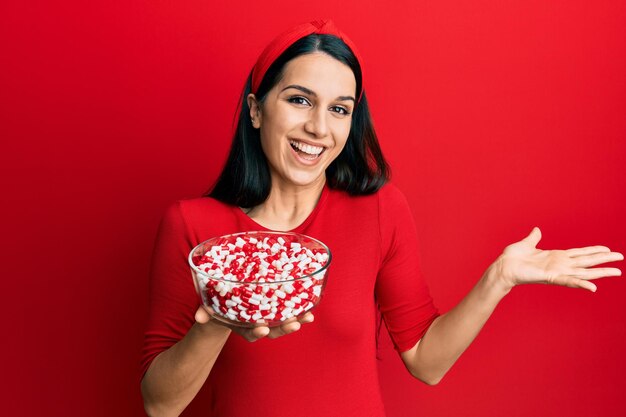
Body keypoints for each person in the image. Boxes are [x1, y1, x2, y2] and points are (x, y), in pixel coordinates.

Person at [140, 19, 623, 417]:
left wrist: (499, 278)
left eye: (340, 109)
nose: (318, 127)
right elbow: (161, 405)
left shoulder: (379, 211)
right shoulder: (194, 227)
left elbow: (426, 362)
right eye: (299, 99)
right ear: (256, 109)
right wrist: (218, 320)